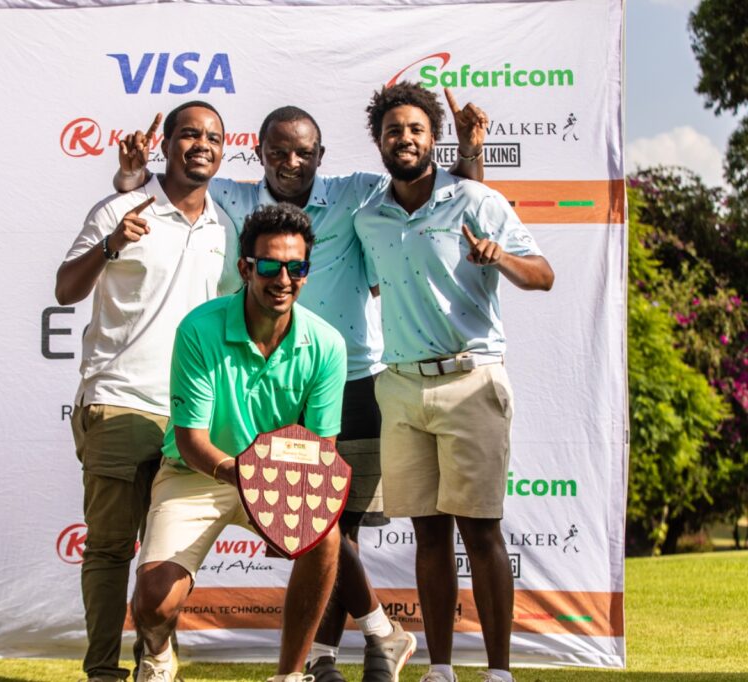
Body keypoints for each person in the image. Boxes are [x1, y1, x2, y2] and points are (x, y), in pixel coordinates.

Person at [114, 90, 489, 682]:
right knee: (317, 534)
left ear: (322, 154)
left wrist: (471, 155)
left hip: (353, 377)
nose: (291, 162)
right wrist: (131, 176)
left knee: (334, 530)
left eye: (304, 152)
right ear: (258, 152)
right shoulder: (231, 200)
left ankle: (314, 662)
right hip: (228, 431)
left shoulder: (355, 193)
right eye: (278, 152)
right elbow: (170, 193)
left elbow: (436, 196)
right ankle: (362, 641)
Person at [353, 82, 555, 682]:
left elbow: (542, 276)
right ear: (379, 142)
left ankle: (498, 673)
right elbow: (364, 284)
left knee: (483, 531)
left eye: (415, 129)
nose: (405, 139)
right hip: (401, 387)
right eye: (394, 131)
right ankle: (440, 669)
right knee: (428, 534)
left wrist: (501, 259)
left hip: (470, 380)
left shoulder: (475, 200)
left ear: (432, 137)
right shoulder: (368, 218)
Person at [55, 100, 239, 682]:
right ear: (166, 143)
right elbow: (64, 289)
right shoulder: (121, 206)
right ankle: (103, 671)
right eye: (189, 134)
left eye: (212, 136)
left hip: (189, 420)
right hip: (118, 403)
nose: (201, 145)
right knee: (111, 550)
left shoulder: (225, 226)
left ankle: (153, 665)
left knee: (166, 557)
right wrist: (110, 244)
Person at [130, 204, 345, 682]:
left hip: (275, 476)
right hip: (198, 475)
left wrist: (282, 496)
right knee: (153, 601)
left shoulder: (327, 344)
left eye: (297, 267)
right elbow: (191, 442)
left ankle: (289, 675)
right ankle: (159, 652)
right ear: (245, 268)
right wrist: (248, 475)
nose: (283, 278)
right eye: (269, 265)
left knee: (326, 539)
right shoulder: (200, 328)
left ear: (308, 272)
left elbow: (320, 449)